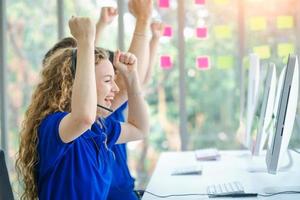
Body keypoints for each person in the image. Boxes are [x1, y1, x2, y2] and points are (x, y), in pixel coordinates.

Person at [16, 16, 149, 200]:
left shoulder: (98, 129)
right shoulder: (54, 126)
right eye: (108, 81)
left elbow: (139, 129)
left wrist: (132, 78)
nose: (115, 88)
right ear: (78, 84)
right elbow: (83, 117)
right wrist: (86, 41)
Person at [94, 2, 165, 200]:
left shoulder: (104, 116)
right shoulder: (95, 117)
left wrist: (154, 41)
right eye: (109, 79)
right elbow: (85, 64)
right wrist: (143, 20)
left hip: (124, 190)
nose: (115, 86)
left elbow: (140, 80)